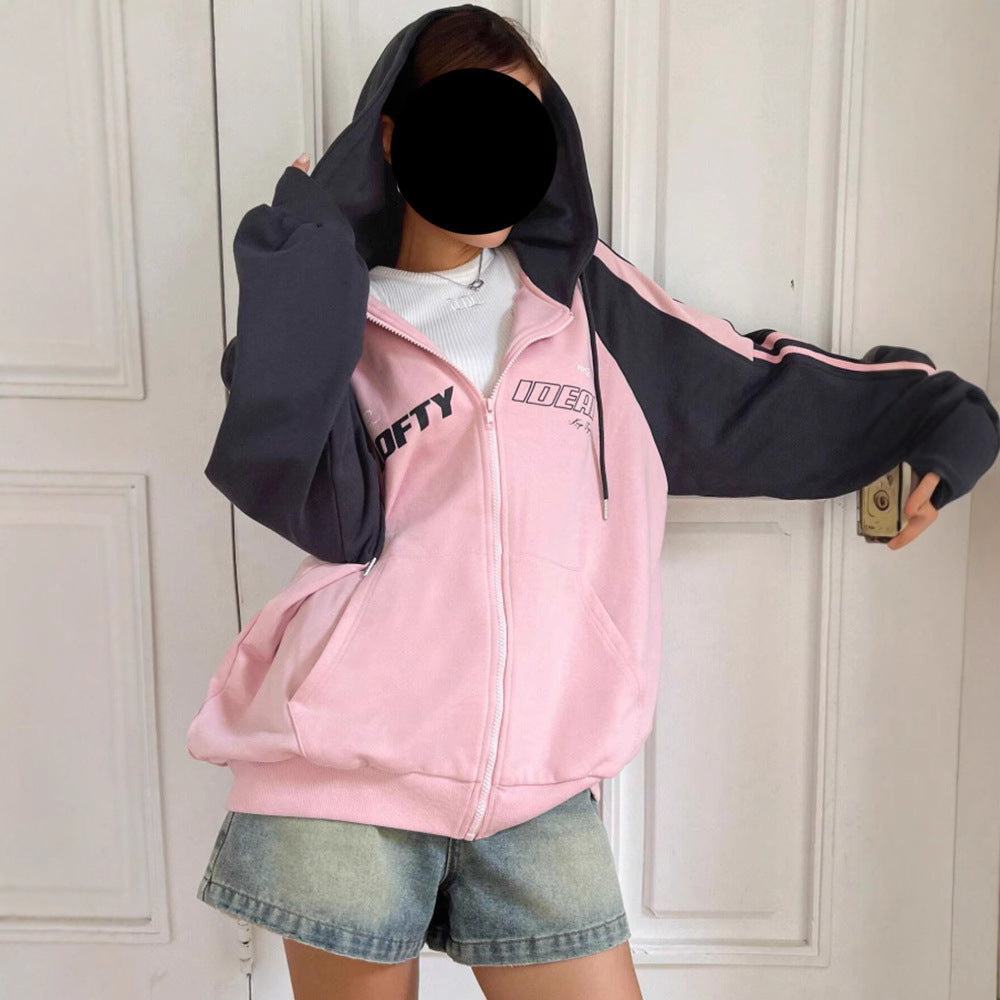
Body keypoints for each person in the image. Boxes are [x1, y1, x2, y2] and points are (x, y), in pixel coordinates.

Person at [187, 5, 1000, 999]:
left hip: (540, 788)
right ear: (395, 140)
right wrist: (305, 262)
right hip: (343, 777)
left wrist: (942, 421)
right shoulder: (338, 315)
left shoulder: (591, 309)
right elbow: (292, 486)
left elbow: (753, 392)